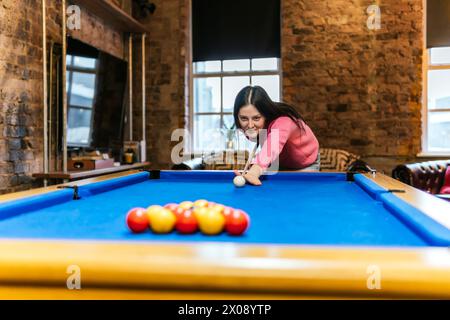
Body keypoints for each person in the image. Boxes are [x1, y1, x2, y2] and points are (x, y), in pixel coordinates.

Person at [233, 86, 320, 186]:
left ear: (266, 114)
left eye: (256, 118)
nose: (250, 125)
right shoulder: (254, 127)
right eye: (244, 118)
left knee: (298, 196)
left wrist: (255, 170)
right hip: (281, 162)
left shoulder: (283, 122)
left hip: (305, 162)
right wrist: (253, 166)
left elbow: (273, 144)